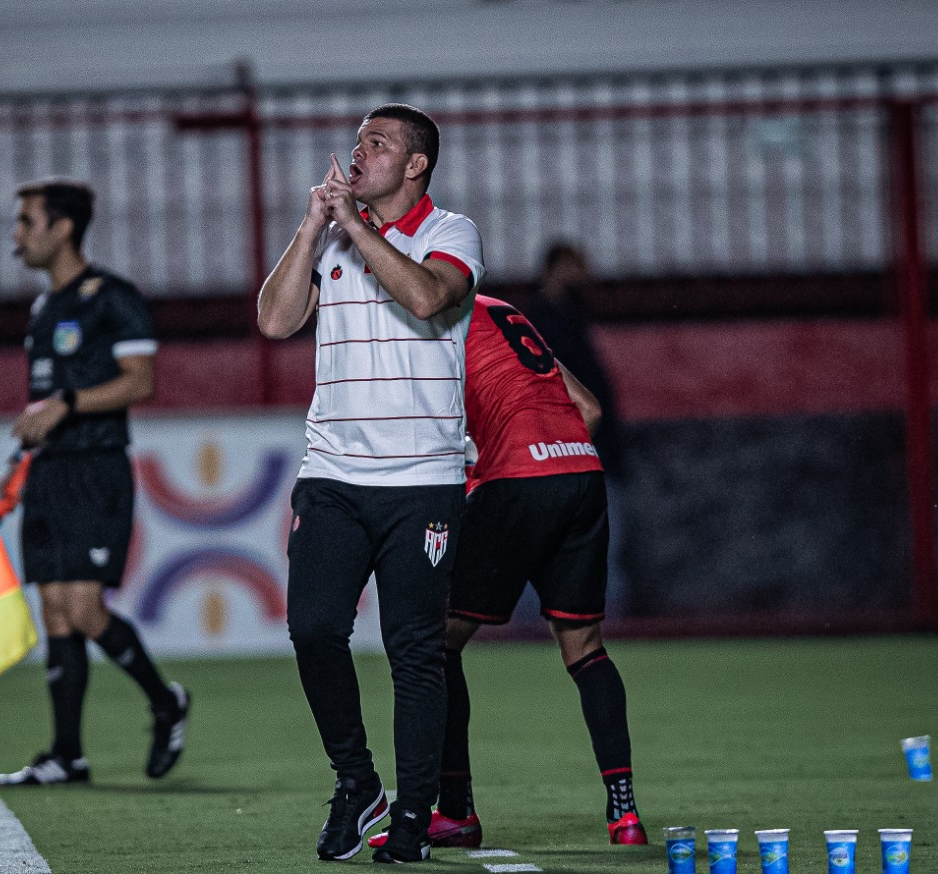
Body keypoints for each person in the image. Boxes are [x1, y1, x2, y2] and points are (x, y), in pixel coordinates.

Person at [257, 104, 484, 863]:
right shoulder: (333, 239)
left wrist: (355, 228)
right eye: (356, 143)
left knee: (413, 651)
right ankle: (358, 785)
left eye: (377, 144)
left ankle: (414, 818)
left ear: (415, 165)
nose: (358, 154)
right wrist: (311, 227)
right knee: (314, 629)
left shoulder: (450, 232)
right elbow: (275, 320)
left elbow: (427, 299)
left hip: (422, 479)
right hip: (333, 473)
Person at [370, 293, 647, 851]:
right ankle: (626, 815)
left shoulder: (421, 317)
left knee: (436, 642)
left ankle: (456, 813)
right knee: (586, 648)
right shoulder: (502, 310)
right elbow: (589, 409)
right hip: (580, 471)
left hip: (516, 480)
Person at [0, 179, 189, 787]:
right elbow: (47, 399)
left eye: (27, 222)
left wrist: (67, 405)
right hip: (50, 470)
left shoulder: (112, 297)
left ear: (63, 228)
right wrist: (33, 438)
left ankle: (165, 700)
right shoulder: (43, 307)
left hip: (96, 470)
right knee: (53, 608)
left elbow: (140, 381)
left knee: (82, 607)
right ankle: (67, 755)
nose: (17, 235)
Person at [525, 242, 637, 613]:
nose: (584, 276)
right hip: (568, 453)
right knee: (591, 549)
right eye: (576, 266)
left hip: (570, 452)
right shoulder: (545, 321)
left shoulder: (563, 318)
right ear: (556, 268)